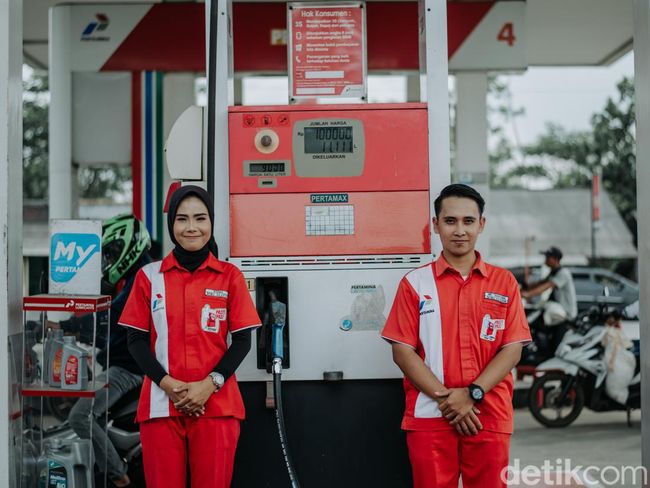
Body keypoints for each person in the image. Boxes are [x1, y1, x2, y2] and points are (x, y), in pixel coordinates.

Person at [381, 184, 531, 488]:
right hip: (430, 416)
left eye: (468, 221)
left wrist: (472, 394)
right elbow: (403, 351)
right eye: (450, 221)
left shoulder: (504, 283)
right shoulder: (414, 283)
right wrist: (448, 400)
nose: (459, 230)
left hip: (488, 413)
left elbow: (512, 349)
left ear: (481, 225)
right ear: (436, 225)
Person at [119, 185, 261, 488]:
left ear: (211, 222)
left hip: (218, 407)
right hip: (160, 406)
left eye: (200, 218)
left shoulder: (229, 276)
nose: (192, 227)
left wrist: (210, 385)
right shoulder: (148, 277)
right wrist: (168, 386)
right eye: (182, 219)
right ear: (172, 225)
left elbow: (244, 340)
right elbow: (136, 341)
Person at [61, 214, 151, 487]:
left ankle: (118, 478)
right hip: (126, 364)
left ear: (128, 246)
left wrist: (61, 325)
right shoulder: (138, 277)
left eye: (111, 252)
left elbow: (107, 319)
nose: (108, 261)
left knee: (80, 416)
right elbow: (113, 330)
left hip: (128, 370)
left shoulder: (140, 280)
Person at [521, 246, 577, 351]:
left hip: (565, 316)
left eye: (548, 257)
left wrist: (527, 294)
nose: (545, 259)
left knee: (556, 345)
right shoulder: (553, 272)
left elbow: (547, 286)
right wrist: (523, 287)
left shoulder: (563, 273)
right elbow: (541, 283)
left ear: (556, 259)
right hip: (555, 312)